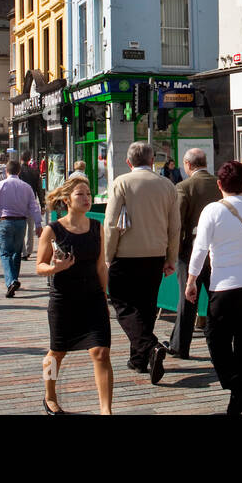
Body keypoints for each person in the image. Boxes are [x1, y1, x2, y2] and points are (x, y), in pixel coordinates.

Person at [186, 161, 242, 416]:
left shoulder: (212, 211)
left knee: (216, 336)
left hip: (225, 284)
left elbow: (200, 249)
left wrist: (191, 279)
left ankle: (236, 385)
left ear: (219, 185)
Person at [104, 141, 180, 385]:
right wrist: (170, 258)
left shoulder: (122, 183)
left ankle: (149, 347)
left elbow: (111, 224)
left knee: (123, 305)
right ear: (152, 161)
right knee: (146, 306)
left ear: (128, 162)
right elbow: (175, 227)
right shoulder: (167, 185)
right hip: (155, 254)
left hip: (125, 255)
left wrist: (108, 256)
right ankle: (139, 359)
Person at [36, 174, 112, 415]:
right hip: (64, 299)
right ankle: (50, 395)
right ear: (67, 200)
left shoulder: (97, 227)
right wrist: (55, 268)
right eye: (81, 194)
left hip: (93, 297)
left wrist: (105, 295)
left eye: (89, 194)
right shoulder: (53, 230)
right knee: (56, 352)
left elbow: (101, 266)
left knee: (101, 352)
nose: (87, 198)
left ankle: (105, 410)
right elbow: (40, 267)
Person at [169, 148, 220, 360]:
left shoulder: (184, 187)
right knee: (216, 299)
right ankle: (219, 344)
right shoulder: (219, 185)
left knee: (188, 299)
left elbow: (178, 224)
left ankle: (181, 346)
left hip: (190, 251)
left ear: (188, 165)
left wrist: (175, 252)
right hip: (217, 251)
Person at [0, 159, 42, 297]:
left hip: (5, 222)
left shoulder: (0, 185)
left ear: (6, 171)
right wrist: (38, 224)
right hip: (21, 223)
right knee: (16, 252)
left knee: (4, 252)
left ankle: (11, 281)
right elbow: (34, 207)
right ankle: (14, 279)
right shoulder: (26, 187)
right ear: (19, 171)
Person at [18, 151, 43, 259]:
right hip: (32, 202)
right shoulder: (35, 172)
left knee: (21, 228)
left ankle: (23, 251)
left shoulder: (18, 172)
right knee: (30, 227)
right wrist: (42, 204)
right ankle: (28, 250)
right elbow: (39, 190)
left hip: (20, 202)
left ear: (21, 159)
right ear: (29, 159)